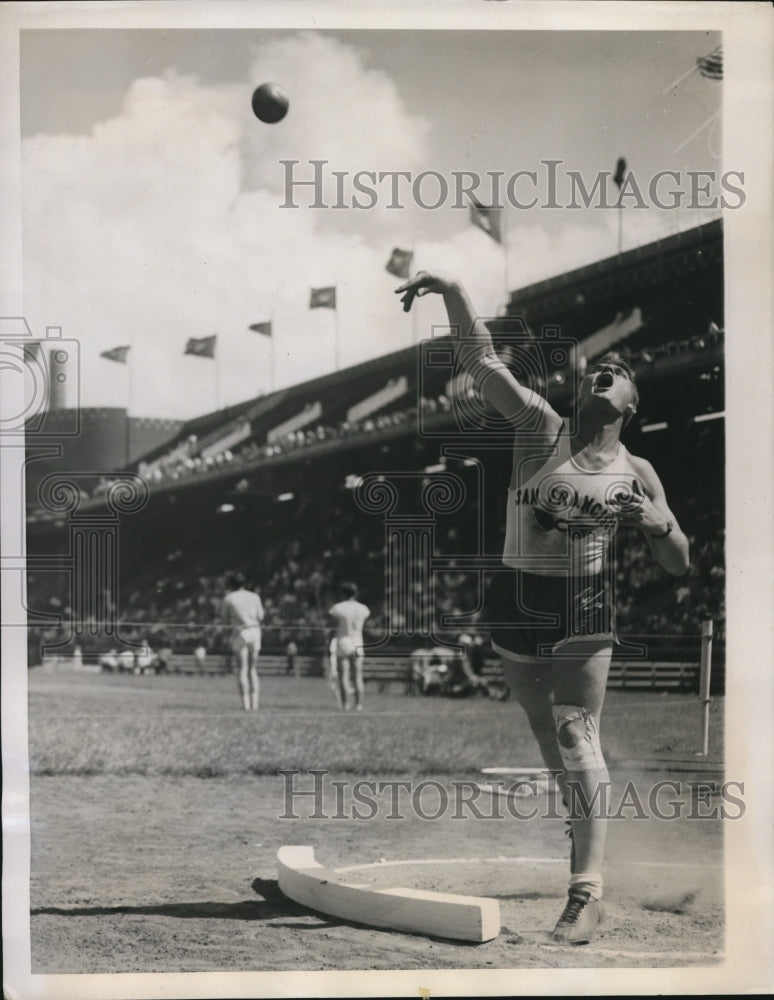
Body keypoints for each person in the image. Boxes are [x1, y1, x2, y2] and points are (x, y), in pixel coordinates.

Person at [396, 270, 689, 944]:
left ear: (632, 403)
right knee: (550, 742)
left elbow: (680, 562)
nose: (604, 373)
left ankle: (586, 892)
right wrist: (452, 291)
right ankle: (583, 819)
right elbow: (481, 360)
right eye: (598, 369)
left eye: (617, 372)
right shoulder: (541, 425)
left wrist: (658, 524)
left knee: (574, 734)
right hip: (515, 592)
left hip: (582, 602)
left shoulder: (639, 473)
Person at [221, 571, 264, 711]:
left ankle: (246, 705)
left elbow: (225, 620)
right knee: (253, 670)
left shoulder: (229, 598)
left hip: (241, 632)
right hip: (255, 631)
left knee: (242, 670)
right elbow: (261, 616)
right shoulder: (254, 596)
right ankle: (255, 704)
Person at [328, 583, 370, 711]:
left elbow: (333, 624)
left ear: (343, 593)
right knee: (358, 675)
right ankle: (359, 705)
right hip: (358, 642)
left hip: (343, 641)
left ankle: (346, 704)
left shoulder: (338, 607)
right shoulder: (363, 608)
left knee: (344, 675)